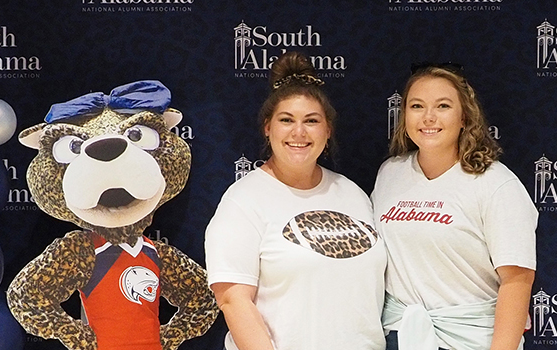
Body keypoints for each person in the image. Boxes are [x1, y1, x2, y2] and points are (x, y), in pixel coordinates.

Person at [204, 51, 387, 350]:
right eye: (286, 120)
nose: (298, 132)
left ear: (327, 130)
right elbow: (233, 300)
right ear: (268, 127)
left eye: (311, 121)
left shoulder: (352, 193)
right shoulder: (243, 201)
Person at [372, 63, 537, 350]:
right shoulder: (390, 173)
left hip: (470, 341)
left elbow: (518, 279)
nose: (429, 117)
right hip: (400, 336)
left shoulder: (497, 184)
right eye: (417, 106)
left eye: (443, 106)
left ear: (464, 118)